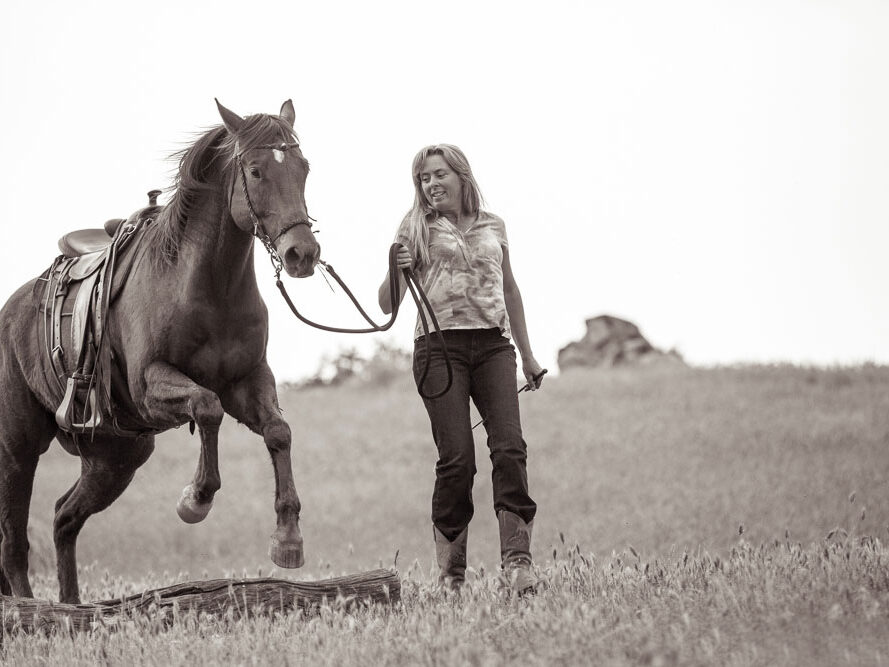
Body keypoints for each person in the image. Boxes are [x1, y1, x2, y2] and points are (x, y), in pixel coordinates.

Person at [378, 144, 544, 593]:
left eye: (438, 175)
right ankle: (451, 577)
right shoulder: (413, 227)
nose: (431, 184)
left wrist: (527, 356)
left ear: (461, 175)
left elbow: (509, 290)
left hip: (494, 345)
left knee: (509, 448)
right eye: (424, 179)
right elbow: (386, 303)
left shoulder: (495, 225)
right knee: (457, 462)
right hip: (438, 349)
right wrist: (395, 269)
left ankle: (518, 565)